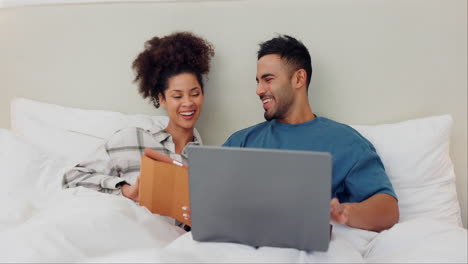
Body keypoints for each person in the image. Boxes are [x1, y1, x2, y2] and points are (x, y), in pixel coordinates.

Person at [223, 35, 399, 232]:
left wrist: (343, 211)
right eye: (258, 81)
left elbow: (388, 210)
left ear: (299, 78)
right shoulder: (241, 141)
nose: (258, 90)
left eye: (268, 80)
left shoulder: (345, 142)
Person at [62, 32, 214, 228]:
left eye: (195, 94)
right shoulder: (131, 139)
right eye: (177, 96)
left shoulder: (206, 164)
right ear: (162, 99)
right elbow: (71, 179)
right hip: (127, 235)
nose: (188, 103)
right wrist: (126, 191)